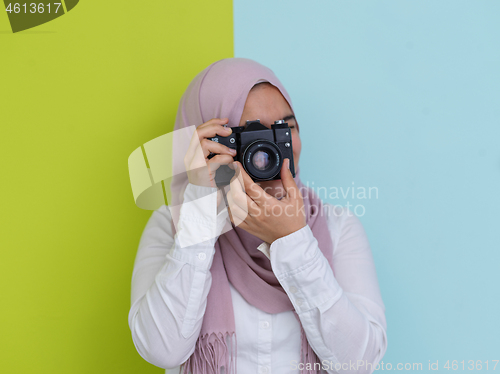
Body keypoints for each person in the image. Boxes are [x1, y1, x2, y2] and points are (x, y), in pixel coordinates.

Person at [128, 58, 387, 374]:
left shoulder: (337, 226)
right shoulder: (171, 225)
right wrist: (199, 212)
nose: (272, 150)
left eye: (286, 128)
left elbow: (360, 362)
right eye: (251, 134)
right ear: (209, 144)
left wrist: (292, 238)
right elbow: (162, 350)